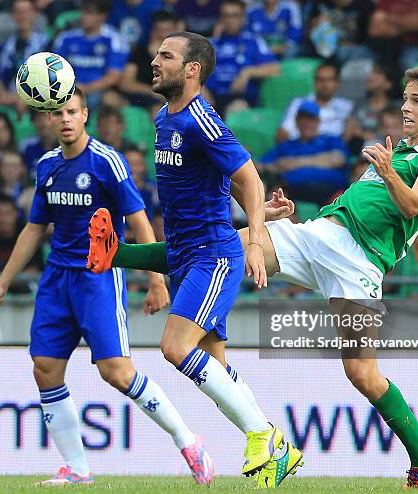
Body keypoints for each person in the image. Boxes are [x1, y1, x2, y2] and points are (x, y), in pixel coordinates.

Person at [88, 67, 418, 488]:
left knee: (362, 375)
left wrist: (389, 175)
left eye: (416, 101)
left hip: (360, 264)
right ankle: (116, 252)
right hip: (319, 235)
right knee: (220, 245)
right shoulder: (401, 152)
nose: (405, 107)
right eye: (405, 98)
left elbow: (413, 211)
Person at [87, 31, 303, 486]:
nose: (154, 60)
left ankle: (263, 435)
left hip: (213, 258)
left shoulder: (200, 119)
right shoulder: (166, 116)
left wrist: (254, 238)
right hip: (188, 254)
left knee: (175, 347)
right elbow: (216, 195)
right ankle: (278, 448)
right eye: (156, 53)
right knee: (215, 368)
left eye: (166, 55)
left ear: (192, 70)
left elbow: (248, 177)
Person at [0, 88, 213, 487]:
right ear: (49, 121)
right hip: (57, 279)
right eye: (58, 113)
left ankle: (188, 441)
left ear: (85, 114)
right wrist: (3, 281)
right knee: (45, 369)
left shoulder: (108, 162)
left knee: (117, 373)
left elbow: (139, 220)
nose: (66, 119)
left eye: (72, 111)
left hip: (100, 277)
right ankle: (77, 468)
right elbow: (36, 227)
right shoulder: (47, 165)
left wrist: (156, 279)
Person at [259, 100, 349, 205]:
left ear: (318, 121)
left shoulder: (330, 140)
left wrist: (297, 162)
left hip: (330, 191)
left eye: (310, 119)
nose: (306, 123)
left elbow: (339, 159)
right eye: (302, 119)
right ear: (296, 121)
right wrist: (276, 166)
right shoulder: (286, 146)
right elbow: (262, 165)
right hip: (292, 193)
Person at [205, 0, 279, 116]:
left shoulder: (253, 41)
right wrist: (199, 88)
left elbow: (275, 68)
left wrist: (247, 72)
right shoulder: (210, 43)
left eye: (234, 16)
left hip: (240, 98)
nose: (230, 20)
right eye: (226, 16)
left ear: (243, 18)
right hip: (211, 98)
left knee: (236, 110)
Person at [53, 0, 129, 110]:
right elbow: (55, 70)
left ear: (102, 16)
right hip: (67, 91)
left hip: (99, 92)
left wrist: (86, 88)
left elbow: (114, 76)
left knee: (107, 99)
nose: (84, 16)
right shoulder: (65, 38)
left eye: (89, 13)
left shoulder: (114, 40)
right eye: (83, 12)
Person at [0, 0, 49, 116]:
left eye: (26, 12)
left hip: (36, 97)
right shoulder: (4, 46)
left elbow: (48, 79)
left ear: (34, 13)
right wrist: (2, 95)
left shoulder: (46, 44)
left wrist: (23, 98)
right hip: (7, 97)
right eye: (18, 12)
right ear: (13, 16)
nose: (22, 16)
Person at [277, 62, 353, 142]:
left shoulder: (347, 106)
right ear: (314, 82)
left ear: (337, 83)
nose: (325, 84)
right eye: (320, 80)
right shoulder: (298, 103)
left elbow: (347, 137)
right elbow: (283, 133)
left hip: (330, 151)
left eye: (329, 80)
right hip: (299, 148)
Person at [120, 9, 179, 108]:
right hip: (142, 98)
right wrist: (152, 91)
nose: (163, 35)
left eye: (168, 30)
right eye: (159, 30)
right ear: (152, 30)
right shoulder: (140, 52)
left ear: (176, 30)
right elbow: (125, 83)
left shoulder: (182, 54)